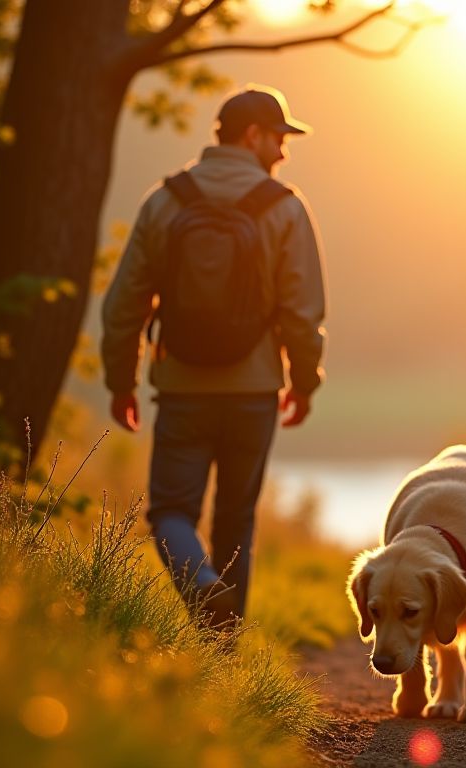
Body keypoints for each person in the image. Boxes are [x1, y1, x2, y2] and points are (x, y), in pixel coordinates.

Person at [101, 86, 327, 629]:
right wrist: (303, 382)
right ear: (251, 136)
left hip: (181, 387)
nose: (282, 151)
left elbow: (124, 303)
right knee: (235, 521)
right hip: (253, 392)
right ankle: (223, 651)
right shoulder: (285, 208)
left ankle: (200, 586)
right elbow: (302, 312)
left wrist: (121, 382)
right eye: (278, 137)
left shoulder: (165, 200)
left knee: (170, 512)